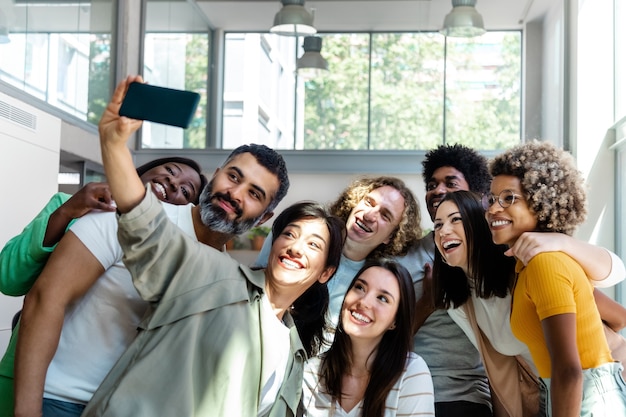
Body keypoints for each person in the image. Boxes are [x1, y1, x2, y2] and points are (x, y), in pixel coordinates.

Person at [79, 75, 345, 417]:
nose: (295, 247)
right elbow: (146, 226)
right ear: (273, 239)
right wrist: (114, 145)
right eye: (290, 234)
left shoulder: (294, 350)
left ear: (326, 272)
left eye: (313, 244)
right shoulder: (213, 274)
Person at [14, 118, 290, 417]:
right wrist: (28, 409)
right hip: (61, 400)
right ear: (216, 175)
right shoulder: (127, 218)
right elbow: (45, 299)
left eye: (254, 193)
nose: (235, 194)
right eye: (234, 177)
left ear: (264, 217)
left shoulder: (228, 279)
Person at [395, 144, 625, 416]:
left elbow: (580, 359)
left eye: (455, 219)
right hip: (552, 391)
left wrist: (561, 242)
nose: (444, 231)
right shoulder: (462, 297)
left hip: (595, 387)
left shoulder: (536, 262)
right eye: (437, 225)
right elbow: (504, 370)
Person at [0, 156, 206, 417]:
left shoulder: (170, 257)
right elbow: (8, 277)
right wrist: (67, 212)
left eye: (186, 191)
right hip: (22, 381)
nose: (173, 183)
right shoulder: (67, 206)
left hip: (101, 399)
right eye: (170, 170)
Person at [484, 140, 626, 416]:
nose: (493, 209)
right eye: (492, 199)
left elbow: (569, 371)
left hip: (586, 402)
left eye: (509, 198)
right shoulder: (530, 266)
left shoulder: (544, 265)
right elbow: (619, 317)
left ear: (541, 203)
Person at [255, 176, 422, 351]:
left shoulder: (372, 283)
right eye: (369, 202)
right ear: (354, 203)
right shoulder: (295, 234)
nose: (369, 215)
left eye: (385, 215)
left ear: (392, 236)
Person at [300, 258, 435, 416]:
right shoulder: (311, 372)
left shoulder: (411, 372)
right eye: (359, 287)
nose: (364, 302)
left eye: (382, 298)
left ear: (395, 321)